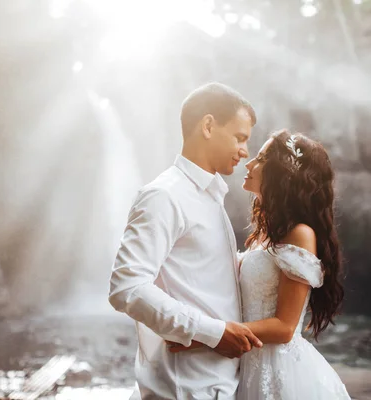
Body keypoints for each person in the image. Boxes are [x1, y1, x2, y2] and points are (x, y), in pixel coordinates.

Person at [109, 82, 262, 400]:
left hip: (218, 383)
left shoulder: (212, 196)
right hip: (185, 389)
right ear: (208, 126)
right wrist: (213, 333)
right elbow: (127, 286)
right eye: (240, 137)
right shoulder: (164, 196)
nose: (245, 151)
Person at [170, 130, 351, 399]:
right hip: (248, 363)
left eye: (262, 158)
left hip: (280, 372)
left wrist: (205, 336)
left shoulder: (300, 233)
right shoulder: (265, 233)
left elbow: (285, 327)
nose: (249, 163)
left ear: (283, 174)